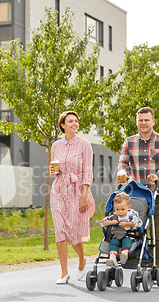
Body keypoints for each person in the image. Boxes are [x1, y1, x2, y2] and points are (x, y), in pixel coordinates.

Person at [117, 107, 159, 268]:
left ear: (153, 121)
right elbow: (122, 162)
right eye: (140, 120)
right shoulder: (129, 141)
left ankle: (153, 267)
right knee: (135, 229)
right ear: (137, 122)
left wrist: (158, 174)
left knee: (156, 233)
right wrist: (124, 174)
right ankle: (135, 262)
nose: (143, 123)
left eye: (146, 120)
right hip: (136, 195)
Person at [50, 111, 95, 284]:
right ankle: (64, 272)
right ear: (63, 125)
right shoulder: (56, 146)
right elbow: (56, 171)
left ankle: (82, 259)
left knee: (74, 232)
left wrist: (84, 195)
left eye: (76, 121)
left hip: (77, 192)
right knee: (60, 230)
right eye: (70, 121)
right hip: (59, 190)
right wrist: (53, 171)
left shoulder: (85, 145)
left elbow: (87, 171)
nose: (75, 123)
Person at [100, 192, 142, 266]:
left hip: (129, 236)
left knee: (126, 241)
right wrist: (110, 222)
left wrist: (127, 224)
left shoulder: (131, 215)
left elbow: (139, 223)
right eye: (117, 209)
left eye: (123, 209)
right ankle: (112, 257)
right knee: (113, 242)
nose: (120, 212)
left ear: (128, 207)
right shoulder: (115, 216)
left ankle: (124, 254)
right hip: (117, 236)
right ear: (114, 207)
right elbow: (102, 223)